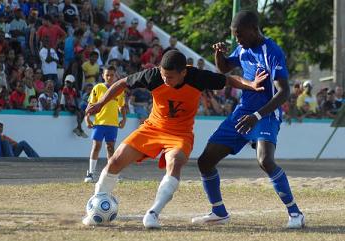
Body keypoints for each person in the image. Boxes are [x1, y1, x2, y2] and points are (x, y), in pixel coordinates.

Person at [82, 50, 267, 228]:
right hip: (152, 128)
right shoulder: (153, 75)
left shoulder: (197, 77)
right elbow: (122, 83)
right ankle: (97, 205)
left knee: (175, 162)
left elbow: (228, 80)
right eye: (163, 75)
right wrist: (100, 103)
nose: (165, 79)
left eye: (170, 76)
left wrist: (250, 84)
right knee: (115, 160)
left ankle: (153, 214)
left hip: (180, 134)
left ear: (183, 72)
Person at [191, 10, 305, 229]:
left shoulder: (272, 51)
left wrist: (257, 115)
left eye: (240, 35)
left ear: (254, 30)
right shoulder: (243, 48)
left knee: (265, 161)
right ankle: (219, 212)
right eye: (235, 36)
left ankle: (295, 214)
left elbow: (283, 92)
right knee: (205, 161)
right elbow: (224, 67)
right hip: (242, 114)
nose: (238, 40)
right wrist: (219, 54)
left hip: (265, 115)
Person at [84, 66, 127, 183]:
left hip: (112, 124)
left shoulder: (119, 89)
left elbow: (122, 106)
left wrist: (124, 119)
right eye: (107, 75)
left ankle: (111, 175)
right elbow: (90, 105)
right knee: (96, 146)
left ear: (115, 76)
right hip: (99, 123)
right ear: (103, 75)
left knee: (110, 148)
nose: (109, 77)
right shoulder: (98, 87)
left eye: (112, 75)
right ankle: (91, 173)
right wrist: (87, 118)